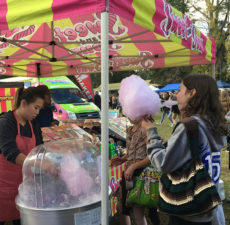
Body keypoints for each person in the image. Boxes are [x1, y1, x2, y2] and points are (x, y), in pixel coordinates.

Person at [141, 74, 227, 225]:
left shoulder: (189, 127)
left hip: (189, 211)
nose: (176, 96)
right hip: (210, 203)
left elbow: (163, 163)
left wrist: (151, 133)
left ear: (192, 93)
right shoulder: (215, 123)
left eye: (180, 90)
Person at [0, 87, 45, 225]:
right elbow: (10, 152)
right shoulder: (6, 122)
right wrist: (37, 164)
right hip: (3, 186)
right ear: (24, 103)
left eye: (39, 109)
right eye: (35, 107)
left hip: (23, 185)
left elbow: (40, 149)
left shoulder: (34, 125)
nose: (37, 112)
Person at [111, 118, 160, 225]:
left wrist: (133, 167)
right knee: (121, 208)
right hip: (128, 174)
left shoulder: (146, 130)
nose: (129, 117)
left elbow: (151, 156)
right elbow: (131, 151)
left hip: (140, 175)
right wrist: (122, 159)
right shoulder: (129, 130)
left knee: (138, 212)